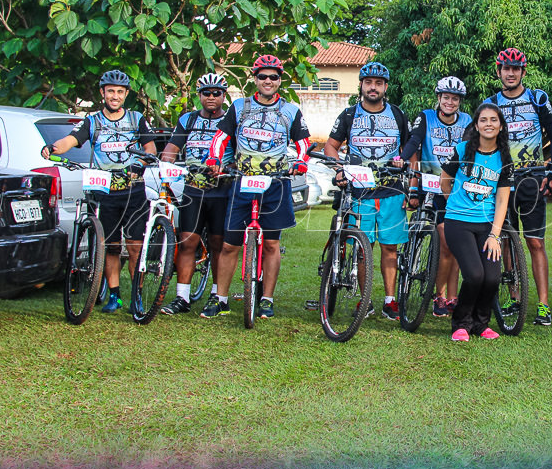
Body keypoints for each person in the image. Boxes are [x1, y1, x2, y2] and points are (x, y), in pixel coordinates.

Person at [202, 55, 310, 320]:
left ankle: (266, 299)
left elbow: (304, 144)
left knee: (272, 244)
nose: (268, 81)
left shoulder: (290, 110)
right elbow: (221, 137)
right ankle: (221, 299)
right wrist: (215, 159)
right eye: (263, 76)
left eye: (274, 77)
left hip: (276, 183)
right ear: (255, 79)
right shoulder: (239, 106)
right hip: (242, 180)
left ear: (280, 80)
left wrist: (300, 163)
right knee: (229, 245)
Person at [40, 70, 156, 313]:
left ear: (126, 95)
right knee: (110, 247)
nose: (115, 96)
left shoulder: (137, 119)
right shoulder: (92, 121)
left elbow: (150, 148)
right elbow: (70, 140)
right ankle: (115, 295)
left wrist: (141, 163)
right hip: (104, 192)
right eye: (111, 91)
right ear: (103, 93)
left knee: (135, 247)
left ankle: (136, 295)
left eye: (120, 92)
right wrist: (52, 147)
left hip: (133, 192)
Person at [324, 61, 410, 320]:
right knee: (363, 248)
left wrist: (410, 185)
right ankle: (365, 300)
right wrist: (338, 168)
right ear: (361, 85)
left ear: (385, 87)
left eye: (379, 83)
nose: (374, 87)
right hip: (359, 191)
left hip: (391, 191)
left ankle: (390, 300)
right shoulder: (349, 115)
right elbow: (331, 146)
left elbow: (410, 151)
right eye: (369, 82)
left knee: (390, 248)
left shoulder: (397, 114)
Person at [484, 48, 552, 326]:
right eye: (506, 68)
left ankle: (543, 304)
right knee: (505, 239)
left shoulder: (537, 98)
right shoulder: (490, 102)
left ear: (523, 72)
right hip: (503, 179)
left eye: (515, 68)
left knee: (535, 242)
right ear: (499, 71)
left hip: (532, 177)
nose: (510, 73)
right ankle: (514, 295)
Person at [396, 76, 472, 317]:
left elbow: (470, 149)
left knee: (456, 243)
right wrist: (402, 159)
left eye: (455, 99)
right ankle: (439, 295)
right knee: (445, 239)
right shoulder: (426, 117)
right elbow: (414, 141)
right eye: (446, 97)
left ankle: (453, 296)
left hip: (456, 188)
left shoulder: (468, 121)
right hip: (431, 185)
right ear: (439, 98)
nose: (450, 102)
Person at [158, 73, 232, 315]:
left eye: (216, 93)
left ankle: (217, 296)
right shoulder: (188, 120)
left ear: (224, 95)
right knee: (188, 242)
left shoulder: (232, 119)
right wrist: (166, 163)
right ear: (199, 95)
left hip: (222, 191)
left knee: (218, 244)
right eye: (206, 93)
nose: (211, 97)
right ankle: (182, 298)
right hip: (192, 190)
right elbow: (171, 148)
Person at [440, 103, 513, 340]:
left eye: (493, 120)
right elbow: (445, 180)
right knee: (474, 274)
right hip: (458, 222)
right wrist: (454, 204)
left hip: (486, 225)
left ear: (501, 126)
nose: (488, 124)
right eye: (483, 120)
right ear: (476, 125)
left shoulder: (504, 158)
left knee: (492, 277)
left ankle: (481, 325)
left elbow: (502, 200)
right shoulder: (462, 150)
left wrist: (494, 235)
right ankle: (461, 323)